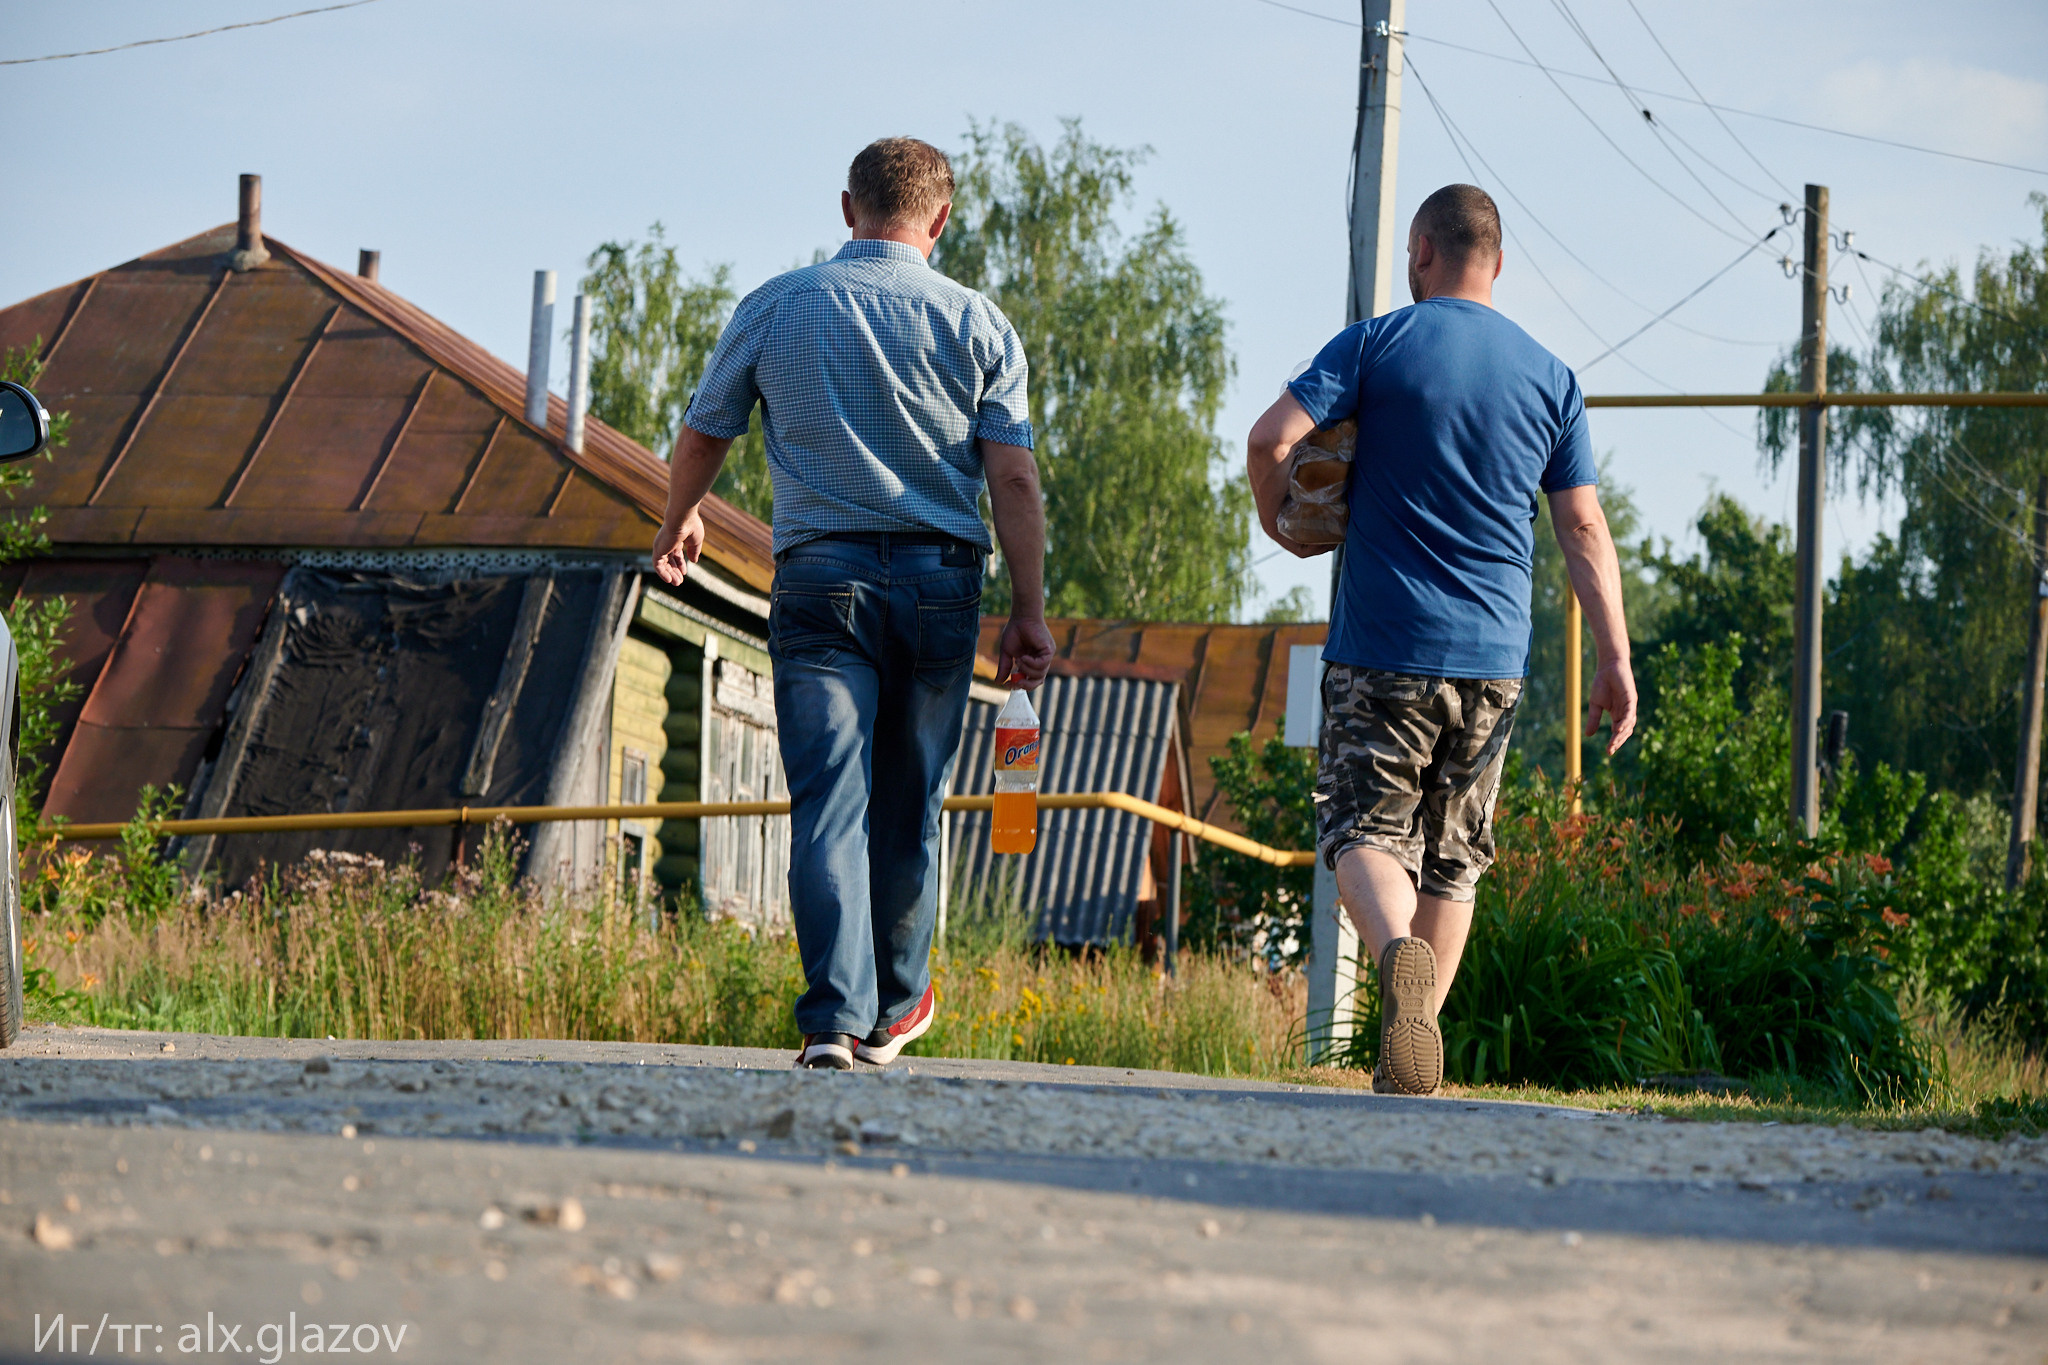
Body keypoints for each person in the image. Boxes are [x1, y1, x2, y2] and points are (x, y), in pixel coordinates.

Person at [652, 137, 1056, 1071]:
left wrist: (681, 518)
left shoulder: (776, 305)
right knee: (909, 799)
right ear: (941, 220)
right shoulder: (979, 325)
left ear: (847, 208)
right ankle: (897, 1007)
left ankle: (832, 1018)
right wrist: (1028, 609)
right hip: (942, 582)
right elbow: (1016, 480)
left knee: (829, 799)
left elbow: (703, 432)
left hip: (818, 581)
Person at [1245, 183, 1637, 1096]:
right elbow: (1583, 530)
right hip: (1495, 659)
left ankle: (1397, 968)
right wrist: (1615, 659)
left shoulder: (1379, 343)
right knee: (1455, 852)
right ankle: (1413, 1035)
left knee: (1361, 828)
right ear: (1498, 263)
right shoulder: (1551, 377)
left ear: (1420, 248)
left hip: (1385, 639)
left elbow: (1272, 439)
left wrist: (1282, 519)